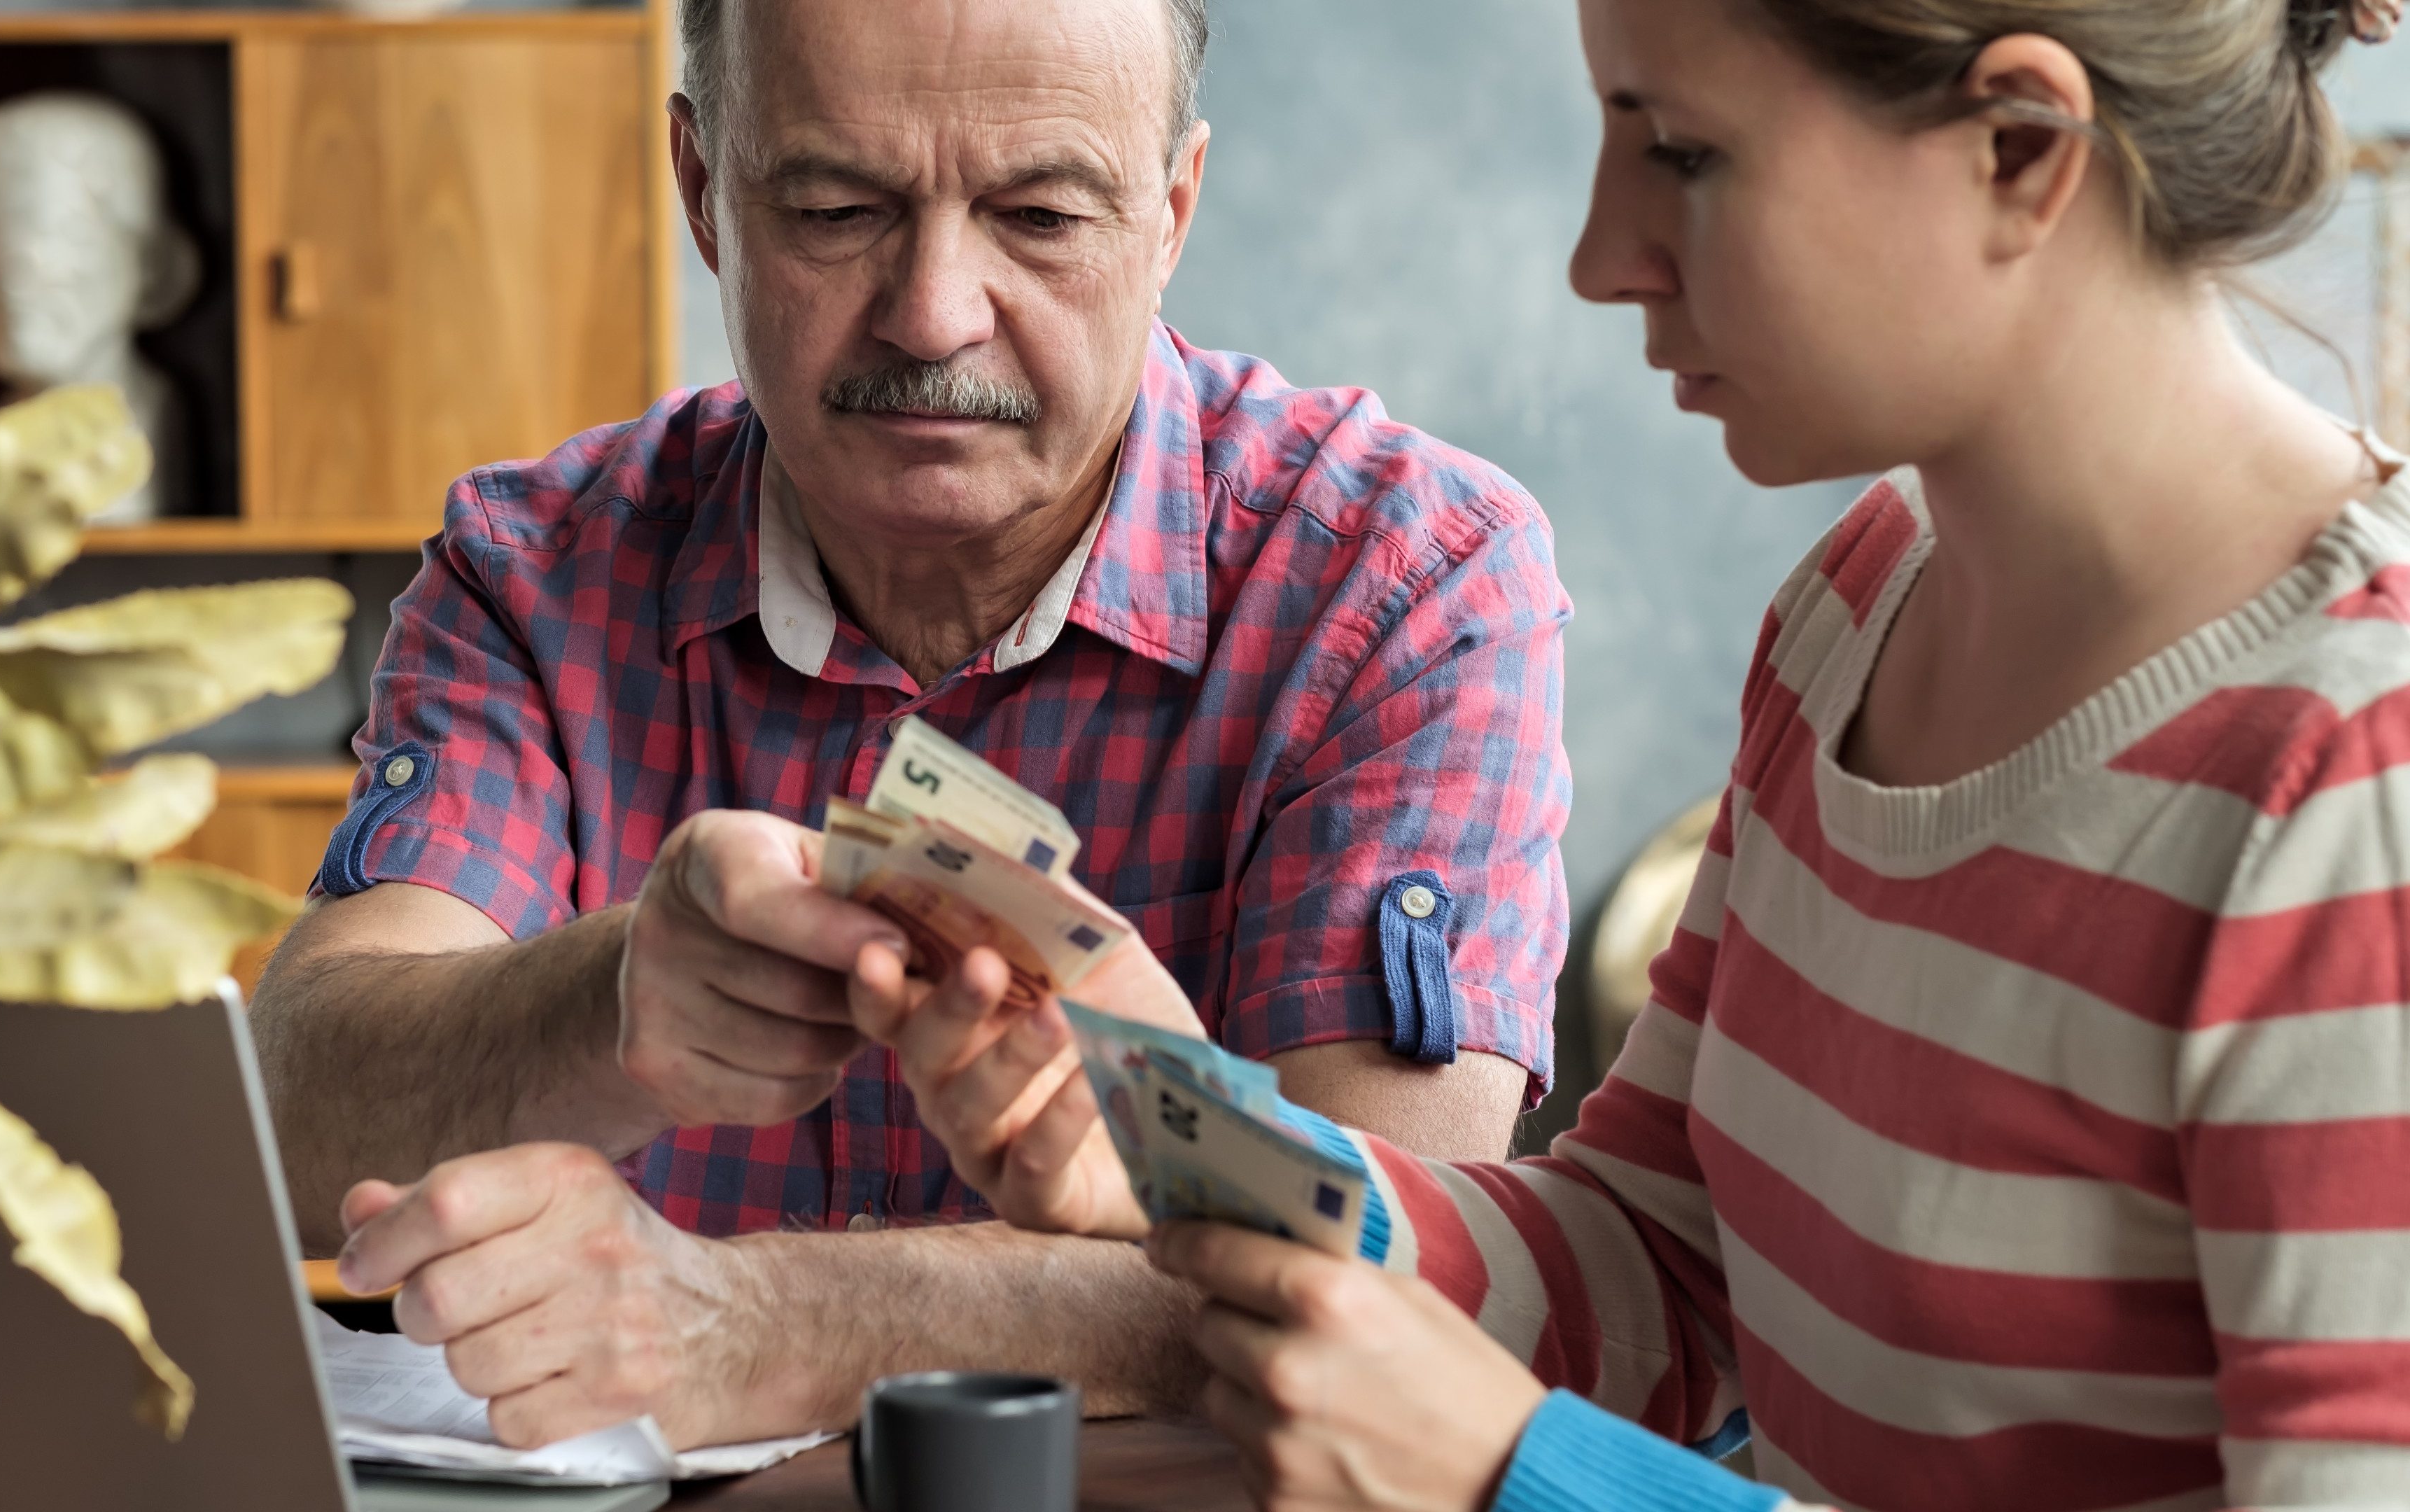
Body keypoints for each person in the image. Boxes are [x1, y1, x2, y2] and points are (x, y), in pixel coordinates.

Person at [858, 0, 2410, 1507]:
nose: (1604, 260)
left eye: (1680, 150)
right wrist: (1181, 1132)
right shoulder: (1861, 608)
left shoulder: (2353, 786)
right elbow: (1656, 1264)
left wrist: (1525, 1482)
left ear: (2019, 146)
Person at [248, 0, 1572, 1455]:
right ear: (703, 189)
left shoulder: (1405, 585)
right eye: (835, 209)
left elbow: (1402, 1287)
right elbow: (293, 1115)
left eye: (1045, 215)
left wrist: (763, 1324)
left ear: (1172, 208)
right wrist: (605, 1003)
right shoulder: (538, 565)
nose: (935, 313)